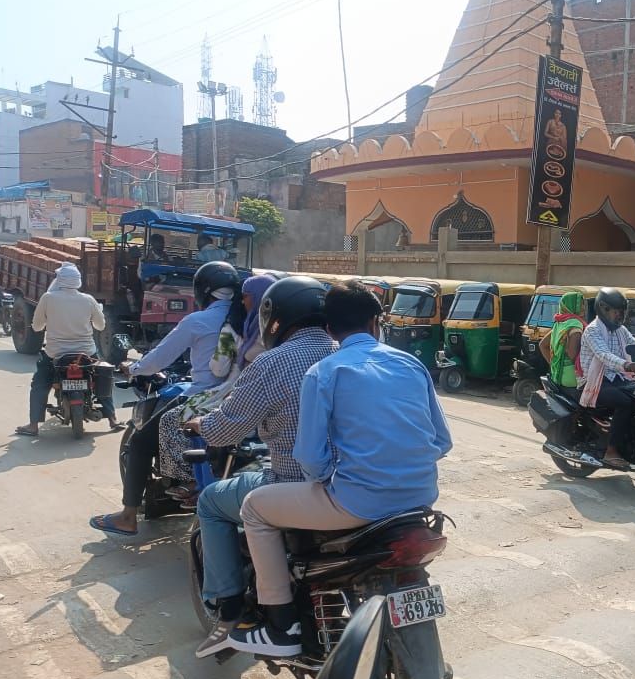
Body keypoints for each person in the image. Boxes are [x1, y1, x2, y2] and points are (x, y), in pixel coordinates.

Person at [226, 281, 452, 657]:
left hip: (357, 504)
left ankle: (281, 624)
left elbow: (310, 458)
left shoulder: (324, 372)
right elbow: (442, 441)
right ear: (377, 323)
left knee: (253, 507)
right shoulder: (410, 364)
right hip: (420, 499)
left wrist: (334, 478)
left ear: (330, 330)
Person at [190, 276, 335, 658]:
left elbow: (225, 425)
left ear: (274, 316)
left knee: (210, 501)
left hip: (292, 479)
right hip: (356, 481)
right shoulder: (345, 353)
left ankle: (230, 608)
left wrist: (203, 425)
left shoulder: (270, 358)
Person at [89, 262, 243, 537]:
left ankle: (127, 517)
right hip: (240, 397)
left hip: (203, 396)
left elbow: (159, 359)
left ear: (202, 290)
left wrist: (134, 368)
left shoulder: (198, 321)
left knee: (140, 443)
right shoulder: (246, 319)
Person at [14, 263, 120, 436]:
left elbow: (38, 326)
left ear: (60, 280)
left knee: (40, 383)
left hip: (55, 354)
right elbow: (101, 326)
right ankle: (113, 419)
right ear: (78, 281)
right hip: (86, 353)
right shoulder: (88, 299)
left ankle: (33, 425)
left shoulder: (48, 298)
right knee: (102, 376)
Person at [578, 287, 635, 469]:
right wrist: (627, 365)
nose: (620, 316)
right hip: (594, 382)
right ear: (603, 309)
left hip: (616, 379)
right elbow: (604, 355)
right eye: (616, 312)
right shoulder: (592, 331)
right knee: (625, 403)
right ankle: (611, 451)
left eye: (622, 312)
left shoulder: (620, 331)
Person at [539, 291, 586, 389]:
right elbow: (572, 355)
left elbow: (542, 345)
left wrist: (554, 364)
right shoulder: (575, 324)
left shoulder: (559, 324)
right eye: (581, 304)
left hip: (556, 375)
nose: (584, 308)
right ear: (573, 305)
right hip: (573, 377)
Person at [239, 273, 278, 365]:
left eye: (245, 296)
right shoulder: (252, 323)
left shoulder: (272, 328)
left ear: (259, 295)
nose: (243, 301)